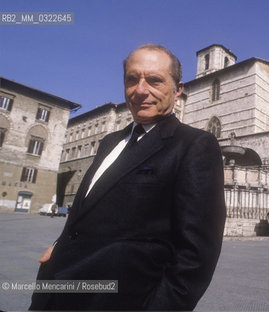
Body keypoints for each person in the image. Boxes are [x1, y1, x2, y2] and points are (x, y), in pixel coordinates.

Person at [30, 44, 226, 311]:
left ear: (178, 90)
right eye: (132, 79)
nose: (141, 90)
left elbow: (196, 256)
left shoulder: (194, 145)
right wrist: (59, 245)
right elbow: (87, 210)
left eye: (155, 80)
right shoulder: (110, 141)